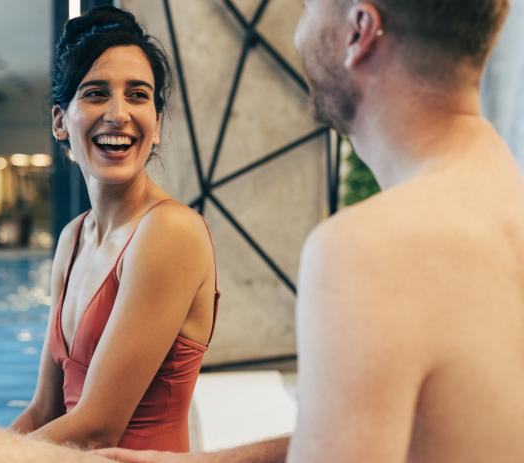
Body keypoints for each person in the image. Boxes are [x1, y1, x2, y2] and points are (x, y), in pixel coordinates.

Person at [98, 0, 523, 462]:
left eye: (307, 9)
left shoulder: (367, 250)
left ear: (360, 31)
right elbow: (431, 427)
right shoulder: (499, 199)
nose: (299, 35)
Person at [0, 6, 218, 461]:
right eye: (97, 93)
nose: (119, 114)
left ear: (157, 123)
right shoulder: (73, 238)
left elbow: (98, 427)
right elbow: (44, 409)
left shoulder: (169, 231)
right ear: (61, 122)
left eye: (138, 95)